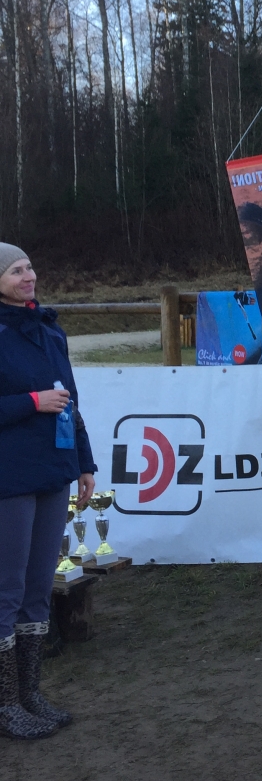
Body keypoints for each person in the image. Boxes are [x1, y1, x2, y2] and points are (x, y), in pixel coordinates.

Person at [0, 244, 96, 739]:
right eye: (16, 270)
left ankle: (29, 694)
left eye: (30, 267)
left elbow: (70, 400)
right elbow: (40, 400)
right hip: (8, 478)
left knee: (38, 587)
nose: (28, 276)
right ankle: (4, 704)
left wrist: (84, 462)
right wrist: (31, 402)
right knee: (7, 589)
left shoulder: (50, 329)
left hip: (53, 473)